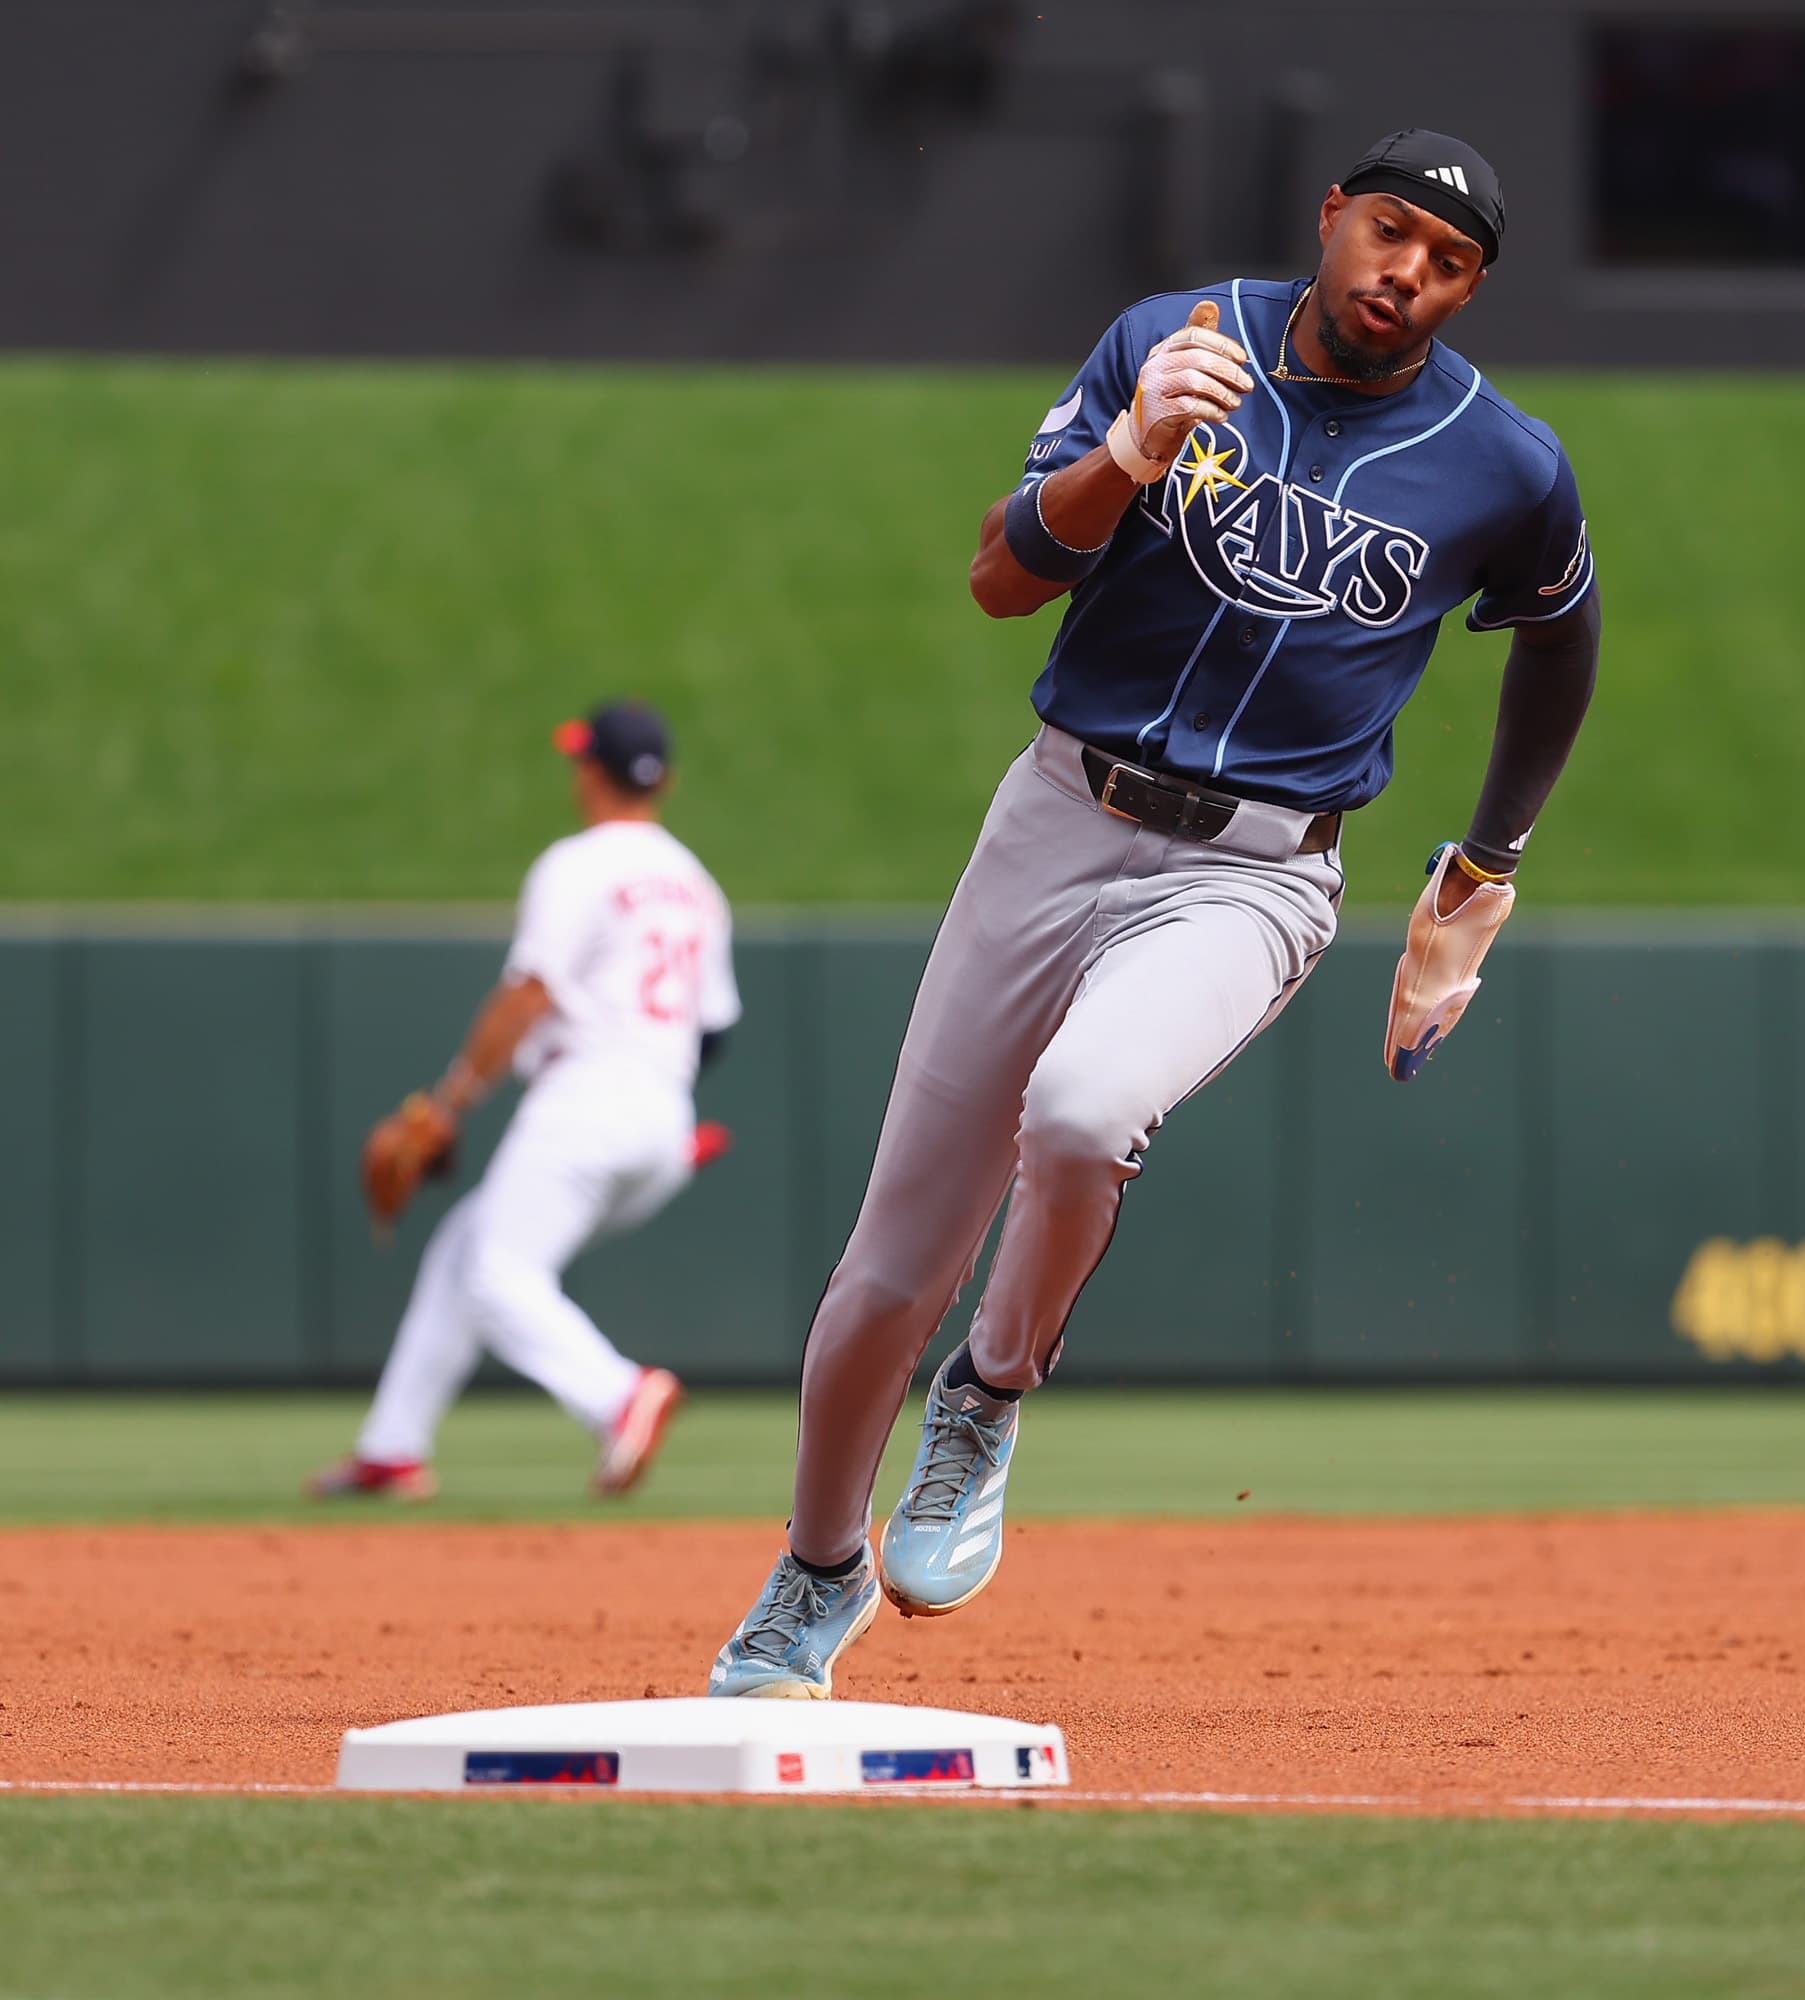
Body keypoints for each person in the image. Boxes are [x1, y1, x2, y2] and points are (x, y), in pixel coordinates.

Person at [708, 129, 1600, 1696]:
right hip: (1058, 816)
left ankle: (990, 1394)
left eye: (1449, 263)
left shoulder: (1502, 462)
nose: (1407, 273)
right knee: (883, 1279)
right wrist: (1125, 453)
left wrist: (1487, 862)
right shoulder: (1173, 340)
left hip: (1254, 871)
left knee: (1080, 1114)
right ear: (1332, 216)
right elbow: (1000, 581)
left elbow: (1560, 635)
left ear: (1469, 291)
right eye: (1391, 233)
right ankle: (817, 1573)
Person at [311, 701, 738, 1501]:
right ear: (664, 783)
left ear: (590, 772)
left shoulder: (576, 865)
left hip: (584, 1103)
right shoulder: (696, 886)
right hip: (659, 1118)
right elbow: (713, 1032)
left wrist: (449, 1102)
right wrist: (655, 1120)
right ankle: (392, 1449)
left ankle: (618, 1397)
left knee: (496, 1272)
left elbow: (529, 994)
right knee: (464, 1249)